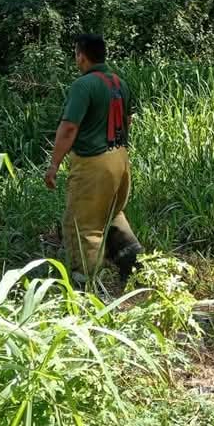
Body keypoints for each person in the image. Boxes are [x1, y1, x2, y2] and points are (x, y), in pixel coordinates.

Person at [44, 33, 143, 281]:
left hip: (94, 161)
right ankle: (133, 262)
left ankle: (86, 283)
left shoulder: (83, 85)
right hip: (120, 158)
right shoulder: (120, 83)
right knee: (111, 213)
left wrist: (54, 164)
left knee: (81, 224)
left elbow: (69, 128)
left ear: (81, 55)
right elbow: (128, 120)